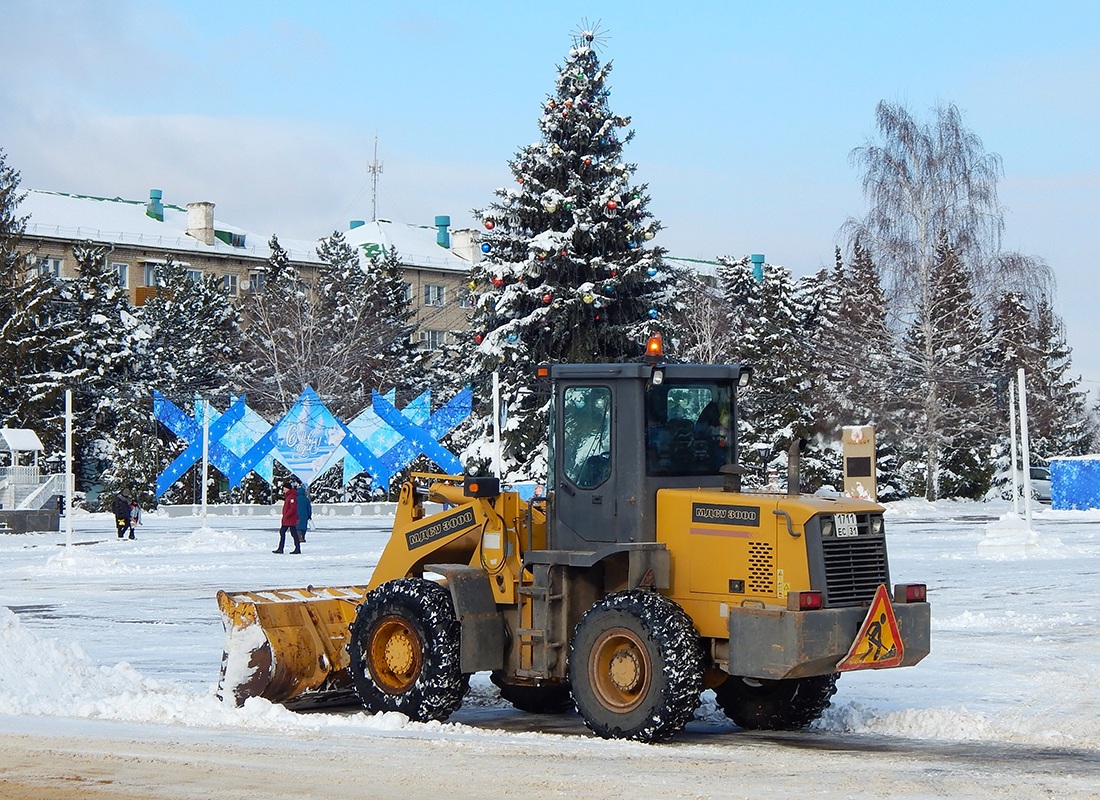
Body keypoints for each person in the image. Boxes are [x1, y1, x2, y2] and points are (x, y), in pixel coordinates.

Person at [273, 480, 301, 554]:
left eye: (285, 488)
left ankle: (282, 548)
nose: (283, 489)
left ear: (288, 488)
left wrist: (286, 515)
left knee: (285, 532)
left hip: (289, 519)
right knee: (291, 533)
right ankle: (295, 548)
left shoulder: (292, 497)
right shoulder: (289, 496)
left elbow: (293, 508)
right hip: (289, 519)